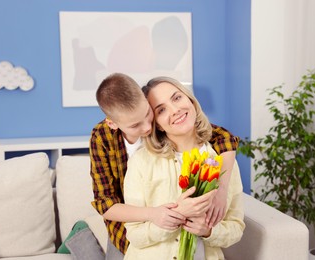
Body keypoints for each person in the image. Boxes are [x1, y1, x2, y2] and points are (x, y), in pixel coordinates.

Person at [89, 73, 239, 258]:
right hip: (128, 234)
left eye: (148, 114)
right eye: (136, 125)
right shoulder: (106, 139)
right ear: (112, 123)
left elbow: (220, 136)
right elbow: (105, 204)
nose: (146, 127)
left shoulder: (212, 153)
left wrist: (221, 190)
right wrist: (160, 214)